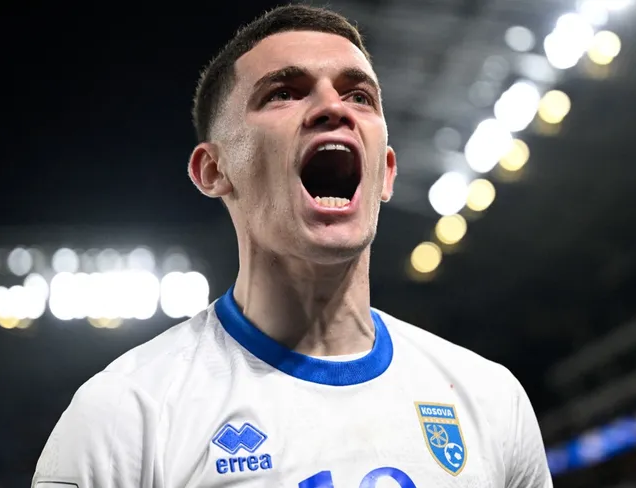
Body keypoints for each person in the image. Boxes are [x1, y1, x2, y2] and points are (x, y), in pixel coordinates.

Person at [31, 5, 552, 487]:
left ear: (387, 173)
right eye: (284, 92)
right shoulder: (124, 416)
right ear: (214, 170)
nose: (333, 108)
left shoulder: (492, 401)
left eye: (359, 96)